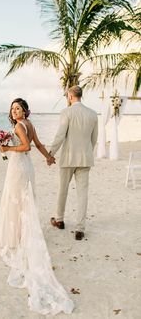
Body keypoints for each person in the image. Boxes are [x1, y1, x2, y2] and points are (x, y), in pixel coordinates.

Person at [0, 98, 74, 315]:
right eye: (12, 108)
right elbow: (38, 145)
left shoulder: (20, 126)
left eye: (18, 108)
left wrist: (6, 147)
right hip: (27, 167)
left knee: (16, 200)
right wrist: (48, 157)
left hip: (19, 167)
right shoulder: (29, 125)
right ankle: (22, 233)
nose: (14, 111)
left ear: (25, 111)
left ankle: (16, 237)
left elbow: (25, 147)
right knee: (23, 201)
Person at [48, 85, 98, 240]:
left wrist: (51, 154)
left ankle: (59, 220)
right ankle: (80, 229)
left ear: (70, 96)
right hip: (85, 158)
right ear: (80, 96)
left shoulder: (66, 112)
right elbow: (94, 138)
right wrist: (87, 152)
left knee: (62, 189)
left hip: (68, 158)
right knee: (83, 193)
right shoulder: (92, 114)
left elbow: (60, 136)